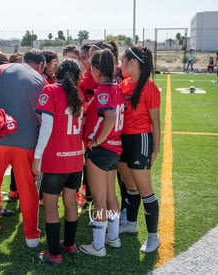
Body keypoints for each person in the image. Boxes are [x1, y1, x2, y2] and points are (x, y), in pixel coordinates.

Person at [0, 49, 45, 257]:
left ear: (23, 60)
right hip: (28, 142)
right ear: (40, 66)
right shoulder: (41, 80)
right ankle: (31, 237)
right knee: (29, 191)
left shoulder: (2, 68)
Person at [33, 58, 84, 267]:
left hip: (54, 160)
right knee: (70, 201)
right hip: (75, 159)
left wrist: (37, 156)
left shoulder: (50, 91)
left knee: (51, 206)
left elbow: (46, 126)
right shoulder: (78, 94)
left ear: (57, 72)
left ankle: (54, 254)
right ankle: (70, 244)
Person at [79, 49, 124, 257]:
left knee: (99, 200)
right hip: (114, 150)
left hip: (102, 150)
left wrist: (97, 140)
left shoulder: (103, 90)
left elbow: (111, 116)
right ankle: (113, 237)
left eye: (91, 69)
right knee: (110, 196)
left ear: (96, 69)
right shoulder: (117, 88)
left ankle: (98, 246)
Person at [116, 46, 161, 254]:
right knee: (128, 183)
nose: (120, 65)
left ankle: (153, 236)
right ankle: (131, 223)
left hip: (140, 139)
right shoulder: (123, 85)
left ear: (132, 63)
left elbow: (155, 121)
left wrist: (156, 148)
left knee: (145, 189)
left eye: (122, 61)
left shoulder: (149, 88)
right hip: (122, 139)